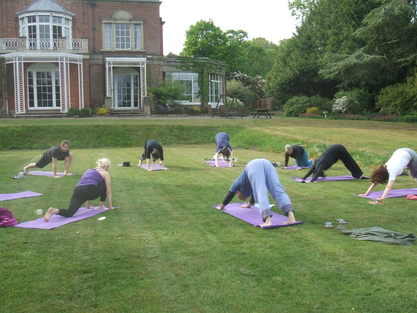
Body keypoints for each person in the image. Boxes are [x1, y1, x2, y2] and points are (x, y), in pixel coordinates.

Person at [216, 159, 297, 227]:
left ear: (238, 191)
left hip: (253, 166)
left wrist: (222, 206)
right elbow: (254, 194)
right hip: (267, 163)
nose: (241, 199)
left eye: (239, 197)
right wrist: (249, 204)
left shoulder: (238, 183)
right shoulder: (249, 185)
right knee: (277, 189)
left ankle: (267, 221)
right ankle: (291, 218)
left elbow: (230, 193)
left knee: (261, 190)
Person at [43, 158, 113, 222]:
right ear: (107, 166)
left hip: (78, 190)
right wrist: (110, 206)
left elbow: (86, 184)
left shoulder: (88, 170)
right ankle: (101, 206)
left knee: (69, 213)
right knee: (104, 185)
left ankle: (54, 211)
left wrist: (87, 205)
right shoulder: (105, 173)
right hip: (90, 190)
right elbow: (108, 190)